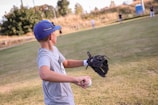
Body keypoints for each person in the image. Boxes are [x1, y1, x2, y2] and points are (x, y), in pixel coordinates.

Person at [33, 20, 91, 105]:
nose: (56, 35)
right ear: (50, 36)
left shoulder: (54, 49)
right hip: (57, 101)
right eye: (54, 32)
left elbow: (66, 63)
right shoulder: (44, 55)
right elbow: (44, 74)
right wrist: (75, 79)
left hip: (65, 97)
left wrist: (87, 62)